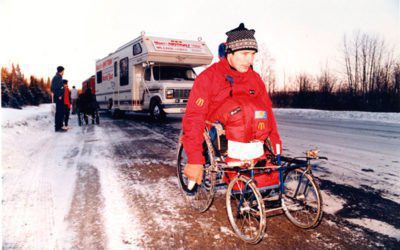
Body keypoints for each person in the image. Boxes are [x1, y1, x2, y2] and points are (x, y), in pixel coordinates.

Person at [182, 23, 282, 188]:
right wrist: (195, 160)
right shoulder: (208, 78)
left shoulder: (255, 79)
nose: (249, 60)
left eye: (252, 54)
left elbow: (268, 113)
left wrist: (276, 149)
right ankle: (238, 174)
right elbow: (194, 117)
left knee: (257, 111)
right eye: (244, 54)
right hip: (218, 133)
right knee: (240, 111)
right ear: (230, 52)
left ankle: (256, 174)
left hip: (250, 134)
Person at [51, 66, 66, 132]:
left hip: (60, 97)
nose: (63, 72)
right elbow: (53, 88)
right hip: (58, 97)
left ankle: (60, 126)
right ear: (61, 71)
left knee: (61, 112)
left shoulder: (59, 77)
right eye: (63, 71)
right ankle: (58, 127)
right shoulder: (56, 78)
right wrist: (59, 95)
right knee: (59, 112)